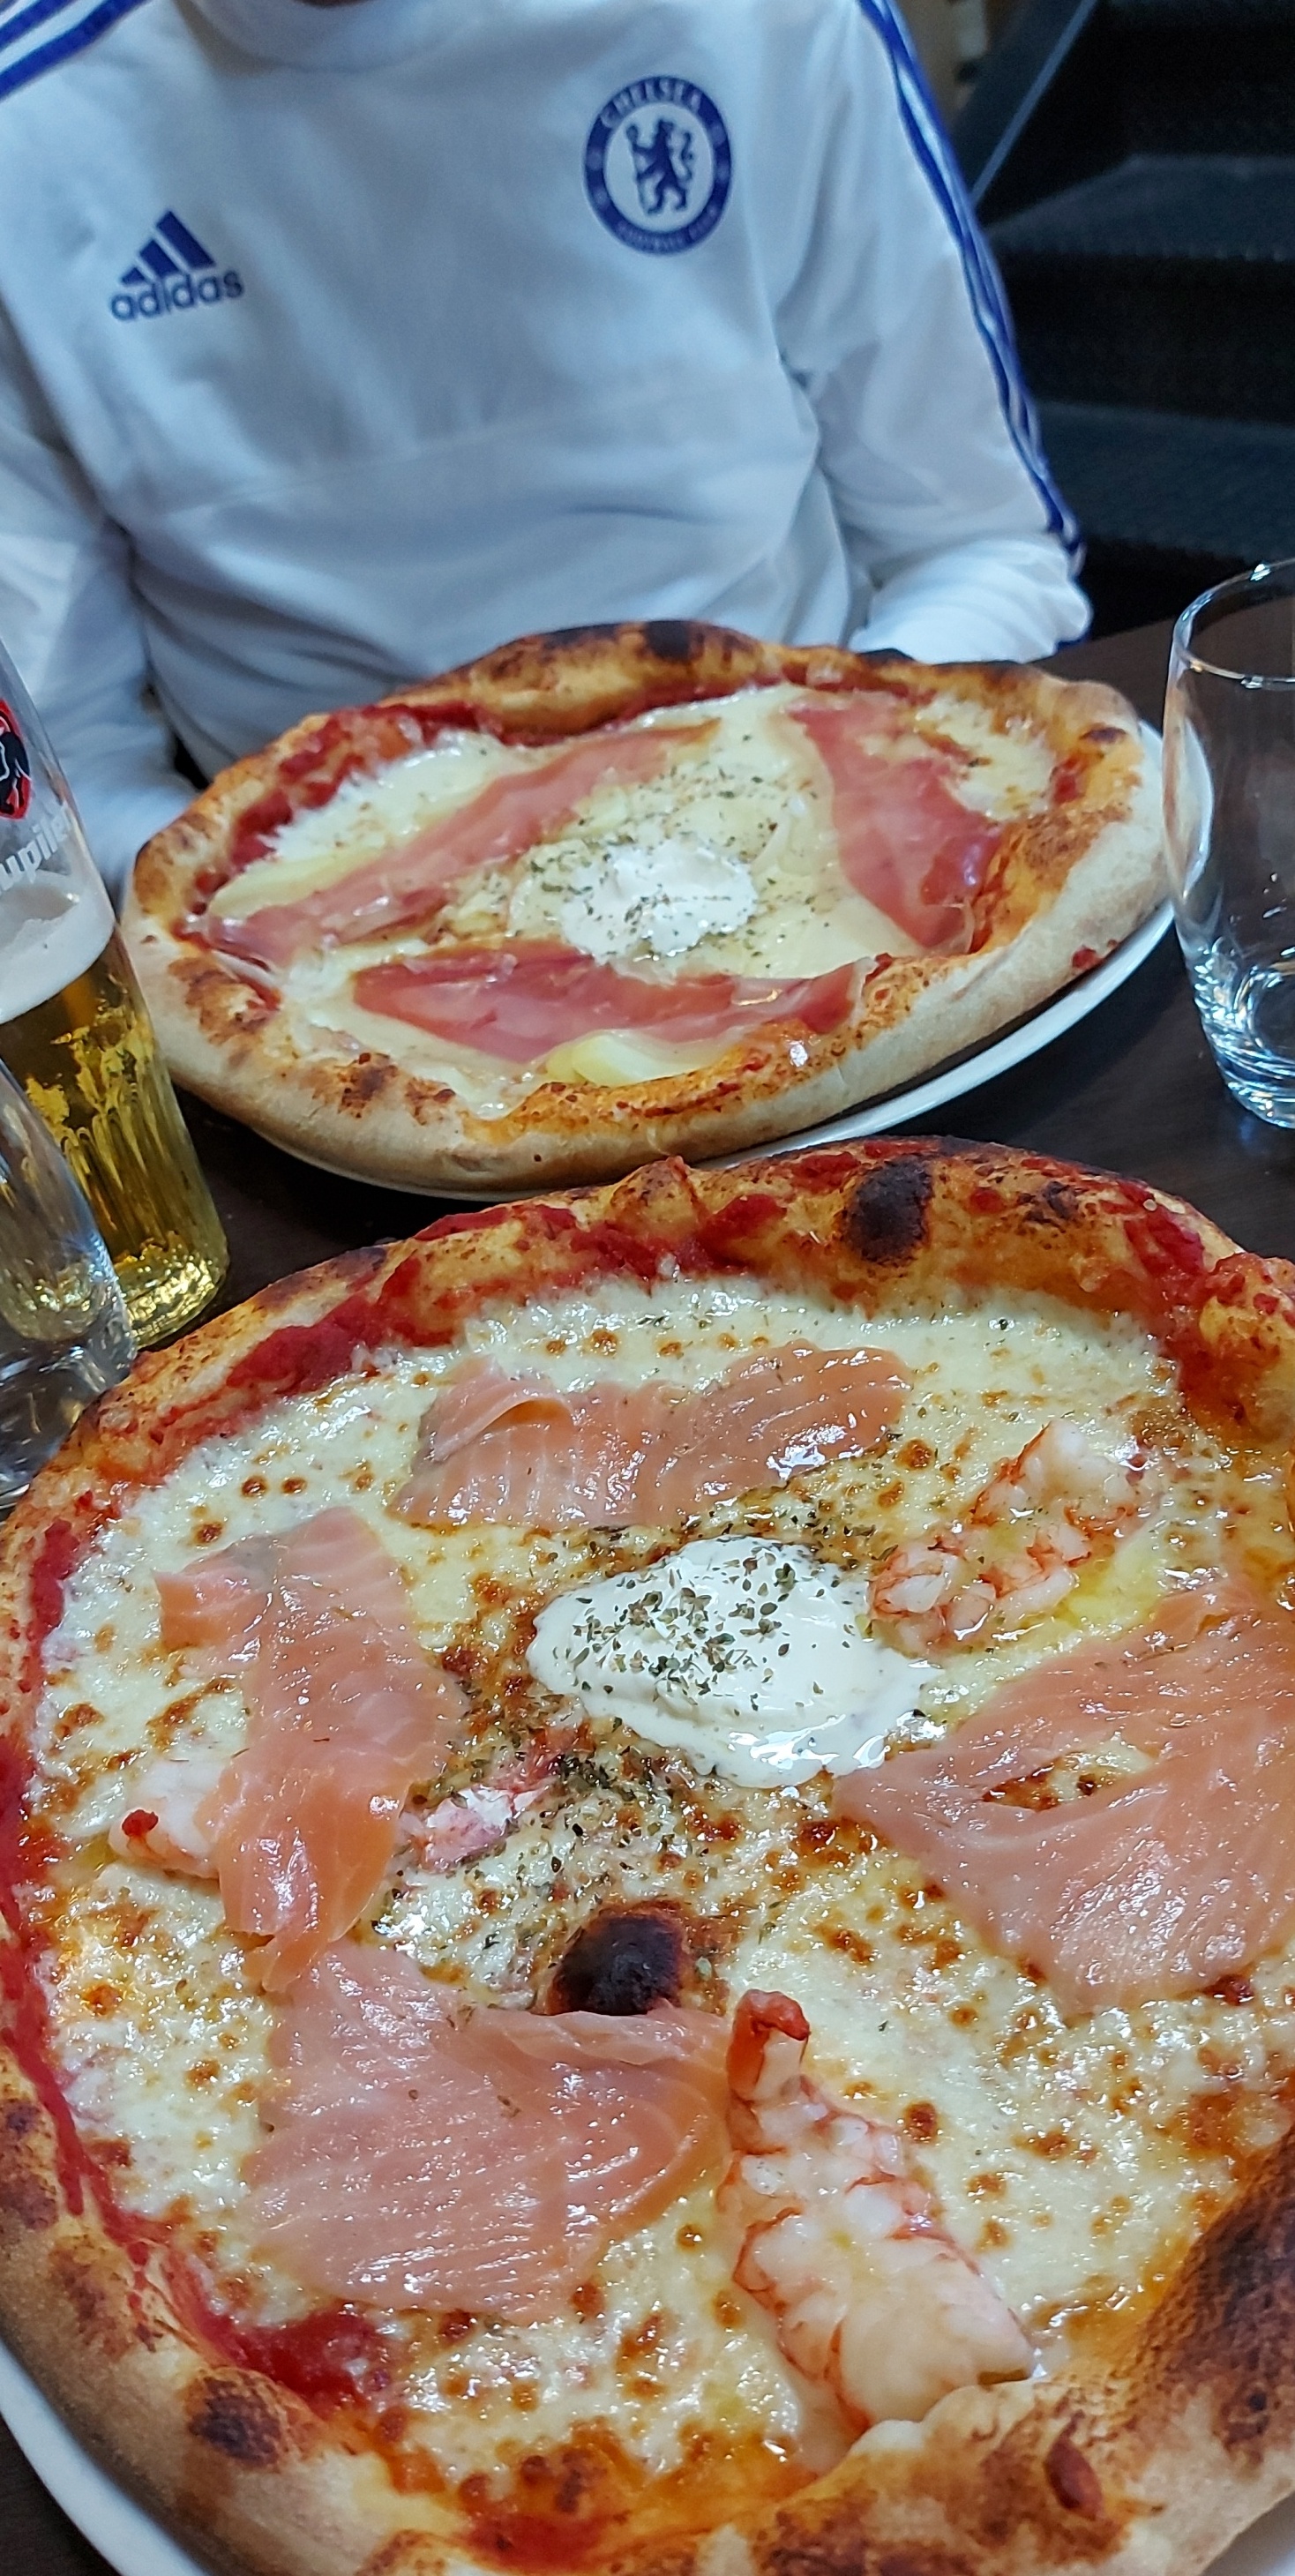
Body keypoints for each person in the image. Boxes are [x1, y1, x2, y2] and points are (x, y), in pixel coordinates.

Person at [0, 0, 1087, 899]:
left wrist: (842, 771)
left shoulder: (770, 23)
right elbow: (67, 761)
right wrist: (275, 916)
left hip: (822, 816)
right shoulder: (29, 126)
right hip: (330, 904)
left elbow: (982, 546)